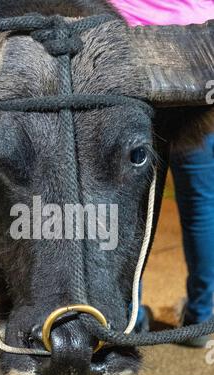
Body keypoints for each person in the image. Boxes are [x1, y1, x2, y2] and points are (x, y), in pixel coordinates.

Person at [109, 0, 214, 347]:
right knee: (202, 205)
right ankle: (203, 315)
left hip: (127, 53)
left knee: (125, 204)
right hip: (200, 50)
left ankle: (127, 318)